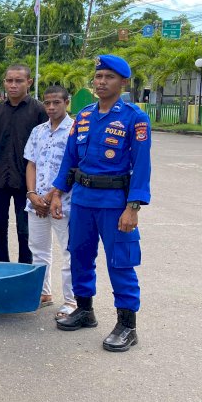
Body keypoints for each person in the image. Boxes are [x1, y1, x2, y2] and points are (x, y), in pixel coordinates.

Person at [50, 54, 151, 352]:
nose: (102, 82)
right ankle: (84, 309)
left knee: (120, 261)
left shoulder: (134, 118)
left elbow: (142, 166)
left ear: (122, 82)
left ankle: (127, 325)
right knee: (79, 255)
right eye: (98, 77)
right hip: (82, 199)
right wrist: (58, 191)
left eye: (109, 77)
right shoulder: (83, 116)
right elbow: (70, 158)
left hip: (114, 201)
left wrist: (133, 207)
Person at [0, 64, 47, 263]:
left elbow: (43, 150)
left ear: (29, 82)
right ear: (4, 83)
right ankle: (2, 267)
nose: (13, 85)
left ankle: (24, 269)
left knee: (25, 230)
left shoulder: (39, 111)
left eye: (19, 81)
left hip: (26, 182)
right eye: (9, 81)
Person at [24, 85, 75, 317]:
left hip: (63, 202)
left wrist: (52, 194)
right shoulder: (38, 131)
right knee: (38, 250)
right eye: (47, 103)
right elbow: (31, 164)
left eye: (57, 102)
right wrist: (33, 195)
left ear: (67, 102)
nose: (52, 107)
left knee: (68, 251)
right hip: (36, 203)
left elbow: (74, 168)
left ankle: (72, 301)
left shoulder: (75, 130)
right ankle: (44, 293)